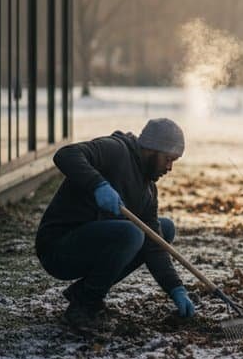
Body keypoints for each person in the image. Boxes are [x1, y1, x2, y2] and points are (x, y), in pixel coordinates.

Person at [35, 118, 194, 331]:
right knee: (132, 233)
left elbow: (155, 246)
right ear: (152, 149)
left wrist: (176, 289)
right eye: (168, 159)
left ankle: (84, 293)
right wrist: (97, 185)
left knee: (163, 230)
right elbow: (66, 154)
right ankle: (85, 307)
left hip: (91, 246)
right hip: (58, 247)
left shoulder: (148, 191)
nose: (170, 167)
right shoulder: (116, 150)